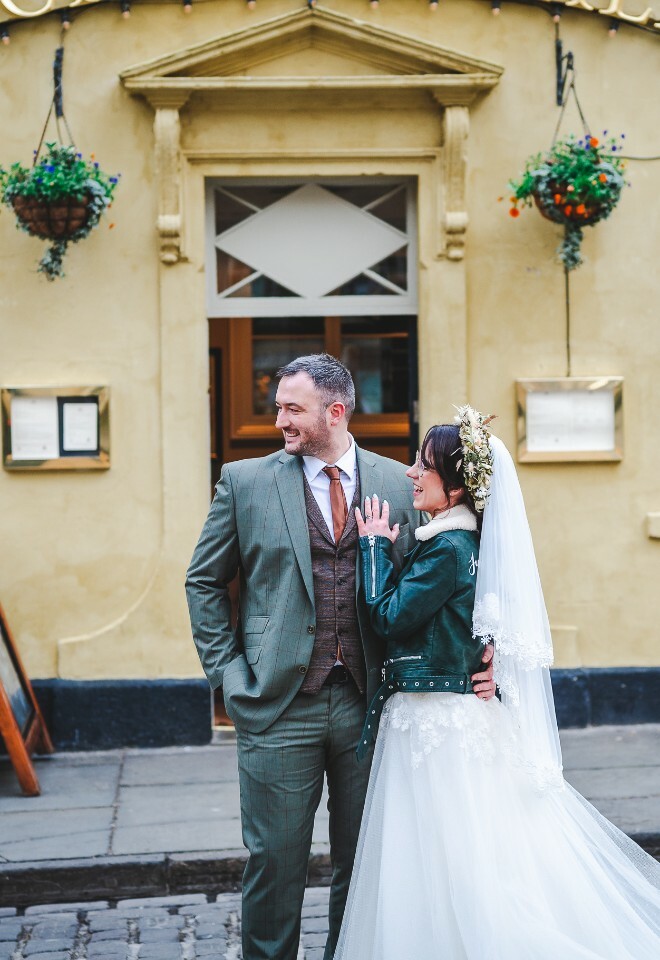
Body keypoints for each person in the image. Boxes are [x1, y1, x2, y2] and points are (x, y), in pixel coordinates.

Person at [185, 354, 499, 960]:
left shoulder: (399, 482)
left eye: (291, 408)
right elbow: (203, 581)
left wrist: (485, 657)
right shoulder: (245, 483)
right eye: (278, 406)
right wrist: (229, 677)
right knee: (274, 864)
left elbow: (460, 576)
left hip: (375, 705)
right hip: (275, 705)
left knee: (366, 865)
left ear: (335, 412)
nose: (279, 419)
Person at [335, 407, 660, 960]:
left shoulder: (445, 548)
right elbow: (485, 627)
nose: (411, 472)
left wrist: (372, 546)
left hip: (436, 720)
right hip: (445, 715)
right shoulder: (460, 543)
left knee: (443, 857)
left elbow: (389, 617)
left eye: (424, 465)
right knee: (453, 854)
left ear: (458, 488)